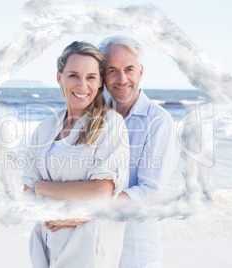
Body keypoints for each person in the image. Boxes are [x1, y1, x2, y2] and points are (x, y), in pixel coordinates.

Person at [35, 36, 180, 267]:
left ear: (140, 72)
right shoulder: (91, 118)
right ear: (102, 76)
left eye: (129, 69)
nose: (122, 79)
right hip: (91, 246)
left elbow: (150, 191)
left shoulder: (158, 121)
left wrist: (81, 210)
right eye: (113, 70)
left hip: (135, 248)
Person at [22, 41, 130, 268]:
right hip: (46, 247)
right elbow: (27, 192)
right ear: (59, 77)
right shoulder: (44, 127)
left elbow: (101, 191)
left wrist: (45, 188)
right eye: (73, 75)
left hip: (89, 250)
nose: (82, 85)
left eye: (91, 77)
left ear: (100, 82)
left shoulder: (111, 124)